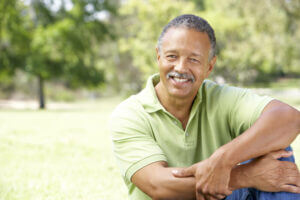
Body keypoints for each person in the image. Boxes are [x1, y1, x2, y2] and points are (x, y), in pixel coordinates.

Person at [109, 14, 300, 200]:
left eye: (194, 59)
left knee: (275, 148)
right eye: (172, 56)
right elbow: (158, 185)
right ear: (158, 57)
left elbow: (289, 119)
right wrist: (245, 176)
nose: (181, 68)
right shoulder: (130, 114)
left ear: (209, 66)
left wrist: (222, 159)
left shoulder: (222, 98)